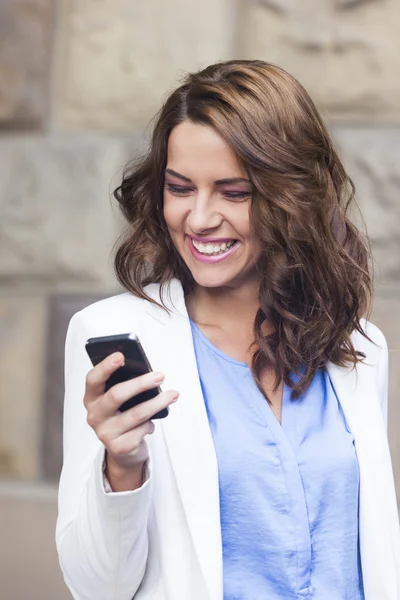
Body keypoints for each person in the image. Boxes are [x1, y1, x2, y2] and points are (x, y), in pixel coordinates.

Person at [56, 60, 400, 600]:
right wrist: (121, 468)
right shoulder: (112, 335)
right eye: (180, 187)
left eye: (234, 192)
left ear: (293, 194)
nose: (198, 218)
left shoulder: (357, 347)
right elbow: (97, 587)